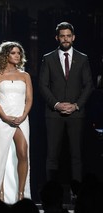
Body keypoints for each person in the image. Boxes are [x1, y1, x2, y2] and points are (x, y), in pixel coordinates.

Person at [38, 22, 94, 182]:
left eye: (68, 36)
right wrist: (56, 104)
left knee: (76, 155)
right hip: (54, 114)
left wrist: (76, 105)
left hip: (76, 113)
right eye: (62, 36)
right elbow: (43, 85)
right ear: (57, 38)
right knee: (52, 155)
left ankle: (76, 193)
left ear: (73, 37)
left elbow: (88, 85)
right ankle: (51, 191)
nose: (65, 39)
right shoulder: (48, 58)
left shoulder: (82, 59)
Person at [0, 41, 33, 204]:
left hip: (21, 119)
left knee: (23, 153)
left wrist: (22, 116)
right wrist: (5, 117)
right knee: (0, 156)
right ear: (5, 55)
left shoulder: (25, 75)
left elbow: (29, 99)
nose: (17, 56)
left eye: (19, 53)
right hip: (2, 119)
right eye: (13, 53)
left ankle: (21, 194)